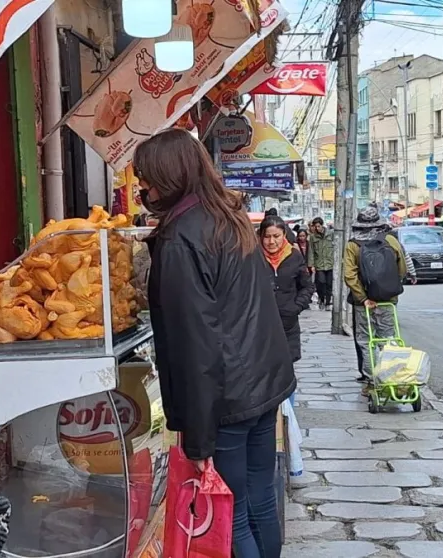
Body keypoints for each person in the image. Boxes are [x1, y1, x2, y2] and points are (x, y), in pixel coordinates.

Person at [133, 128, 295, 558]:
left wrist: (199, 439)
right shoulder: (229, 218)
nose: (141, 189)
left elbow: (196, 344)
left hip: (227, 399)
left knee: (232, 511)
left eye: (145, 179)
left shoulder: (181, 239)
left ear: (168, 178)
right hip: (263, 384)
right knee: (261, 497)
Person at [343, 207, 409, 385]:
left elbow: (349, 275)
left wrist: (363, 298)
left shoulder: (353, 245)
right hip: (388, 300)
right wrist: (390, 290)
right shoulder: (390, 241)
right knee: (388, 338)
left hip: (363, 302)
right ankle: (391, 376)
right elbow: (402, 269)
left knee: (366, 340)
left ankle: (372, 379)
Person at [260, 215, 314, 363]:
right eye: (267, 237)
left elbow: (307, 286)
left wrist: (295, 307)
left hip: (288, 324)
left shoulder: (294, 256)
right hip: (260, 325)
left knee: (287, 369)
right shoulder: (253, 257)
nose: (271, 241)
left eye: (276, 236)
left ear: (284, 235)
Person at [308, 217, 335, 310]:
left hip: (330, 263)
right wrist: (311, 265)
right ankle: (321, 298)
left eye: (318, 226)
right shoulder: (313, 237)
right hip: (319, 264)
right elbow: (311, 251)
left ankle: (327, 302)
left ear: (322, 225)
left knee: (329, 284)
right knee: (321, 282)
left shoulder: (331, 234)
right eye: (315, 227)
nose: (317, 228)